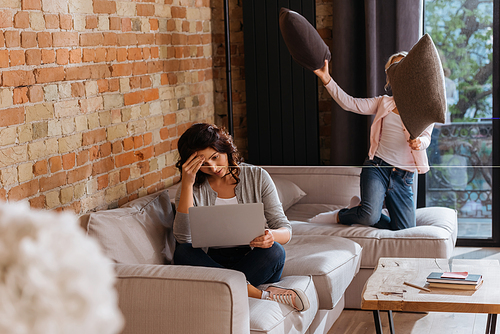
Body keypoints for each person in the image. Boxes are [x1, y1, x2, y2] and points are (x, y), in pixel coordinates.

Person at [173, 123, 310, 311]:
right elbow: (183, 237)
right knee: (183, 252)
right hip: (209, 260)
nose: (213, 168)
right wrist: (187, 184)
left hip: (251, 257)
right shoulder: (191, 187)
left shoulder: (257, 176)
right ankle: (260, 294)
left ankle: (221, 286)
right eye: (203, 164)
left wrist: (271, 235)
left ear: (226, 150)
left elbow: (285, 229)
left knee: (275, 251)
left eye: (215, 157)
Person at [310, 53, 434, 230]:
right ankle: (344, 215)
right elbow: (349, 103)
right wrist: (327, 79)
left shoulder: (425, 107)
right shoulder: (384, 102)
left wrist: (419, 143)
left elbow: (427, 137)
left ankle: (362, 209)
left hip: (403, 177)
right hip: (377, 167)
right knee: (369, 216)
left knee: (404, 230)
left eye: (402, 67)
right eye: (393, 70)